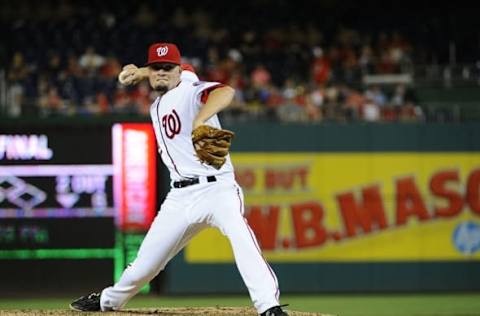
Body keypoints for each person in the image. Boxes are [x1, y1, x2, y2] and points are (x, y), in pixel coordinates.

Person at [70, 43, 288, 316]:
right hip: (179, 197)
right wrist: (139, 71)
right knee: (145, 265)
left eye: (168, 67)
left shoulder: (189, 89)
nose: (162, 72)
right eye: (156, 68)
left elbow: (225, 91)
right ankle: (108, 301)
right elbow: (167, 70)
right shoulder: (157, 103)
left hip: (217, 189)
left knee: (241, 236)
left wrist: (201, 120)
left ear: (178, 70)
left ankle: (268, 306)